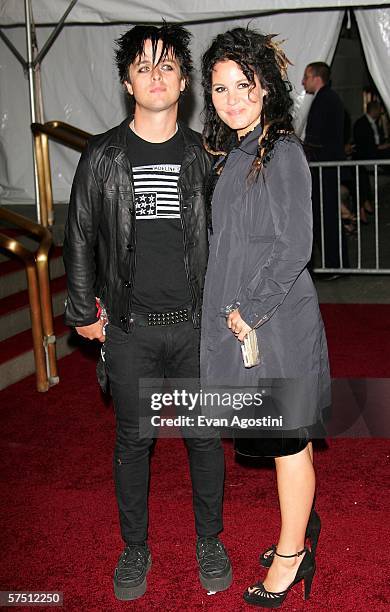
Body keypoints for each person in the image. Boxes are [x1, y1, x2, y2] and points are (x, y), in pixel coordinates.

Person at [63, 24, 231, 602]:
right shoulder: (102, 154)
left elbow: (231, 235)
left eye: (167, 66)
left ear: (184, 82)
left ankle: (209, 539)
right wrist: (83, 307)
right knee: (133, 443)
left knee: (203, 440)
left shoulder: (205, 155)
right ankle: (135, 547)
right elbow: (80, 232)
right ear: (126, 80)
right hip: (130, 330)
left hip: (195, 329)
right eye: (143, 65)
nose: (155, 75)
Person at [201, 28, 331, 608]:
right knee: (279, 439)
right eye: (219, 88)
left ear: (266, 87)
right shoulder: (236, 153)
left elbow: (295, 244)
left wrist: (246, 311)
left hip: (273, 321)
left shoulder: (281, 150)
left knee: (287, 443)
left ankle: (291, 555)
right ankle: (301, 531)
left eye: (242, 85)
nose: (230, 99)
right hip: (248, 323)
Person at [302, 61, 349, 274]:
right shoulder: (331, 98)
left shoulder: (324, 100)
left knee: (325, 216)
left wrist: (300, 148)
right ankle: (335, 264)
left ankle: (334, 265)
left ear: (316, 77)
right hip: (328, 167)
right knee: (328, 215)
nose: (303, 81)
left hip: (323, 168)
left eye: (306, 77)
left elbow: (317, 138)